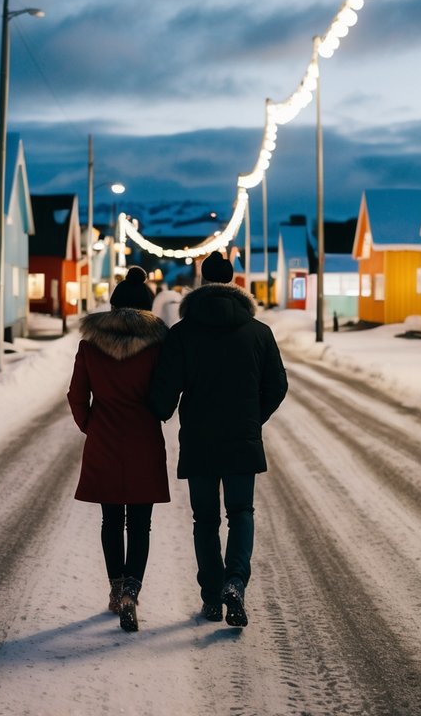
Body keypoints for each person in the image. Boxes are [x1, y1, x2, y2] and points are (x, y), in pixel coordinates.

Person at [149, 250, 288, 628]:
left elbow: (164, 395)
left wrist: (155, 408)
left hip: (199, 439)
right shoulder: (259, 333)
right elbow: (277, 385)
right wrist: (252, 418)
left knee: (205, 520)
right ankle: (235, 583)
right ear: (234, 283)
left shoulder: (183, 333)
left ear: (202, 283)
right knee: (241, 513)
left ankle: (212, 597)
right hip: (241, 437)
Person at [67, 265, 169, 632]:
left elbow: (77, 396)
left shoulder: (90, 345)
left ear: (112, 306)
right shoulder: (158, 346)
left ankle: (114, 589)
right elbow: (165, 396)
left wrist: (91, 426)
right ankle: (131, 591)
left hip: (105, 441)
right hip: (144, 440)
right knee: (140, 525)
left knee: (111, 521)